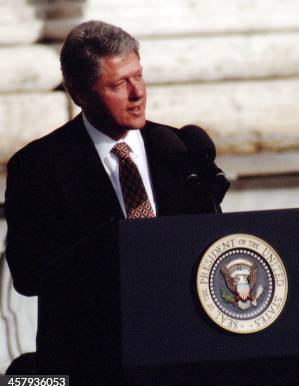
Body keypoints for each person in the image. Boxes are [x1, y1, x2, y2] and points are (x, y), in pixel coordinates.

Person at [5, 20, 225, 297]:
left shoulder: (177, 148)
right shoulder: (38, 167)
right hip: (96, 335)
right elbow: (28, 276)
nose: (138, 93)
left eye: (139, 76)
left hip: (180, 328)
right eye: (119, 84)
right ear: (80, 94)